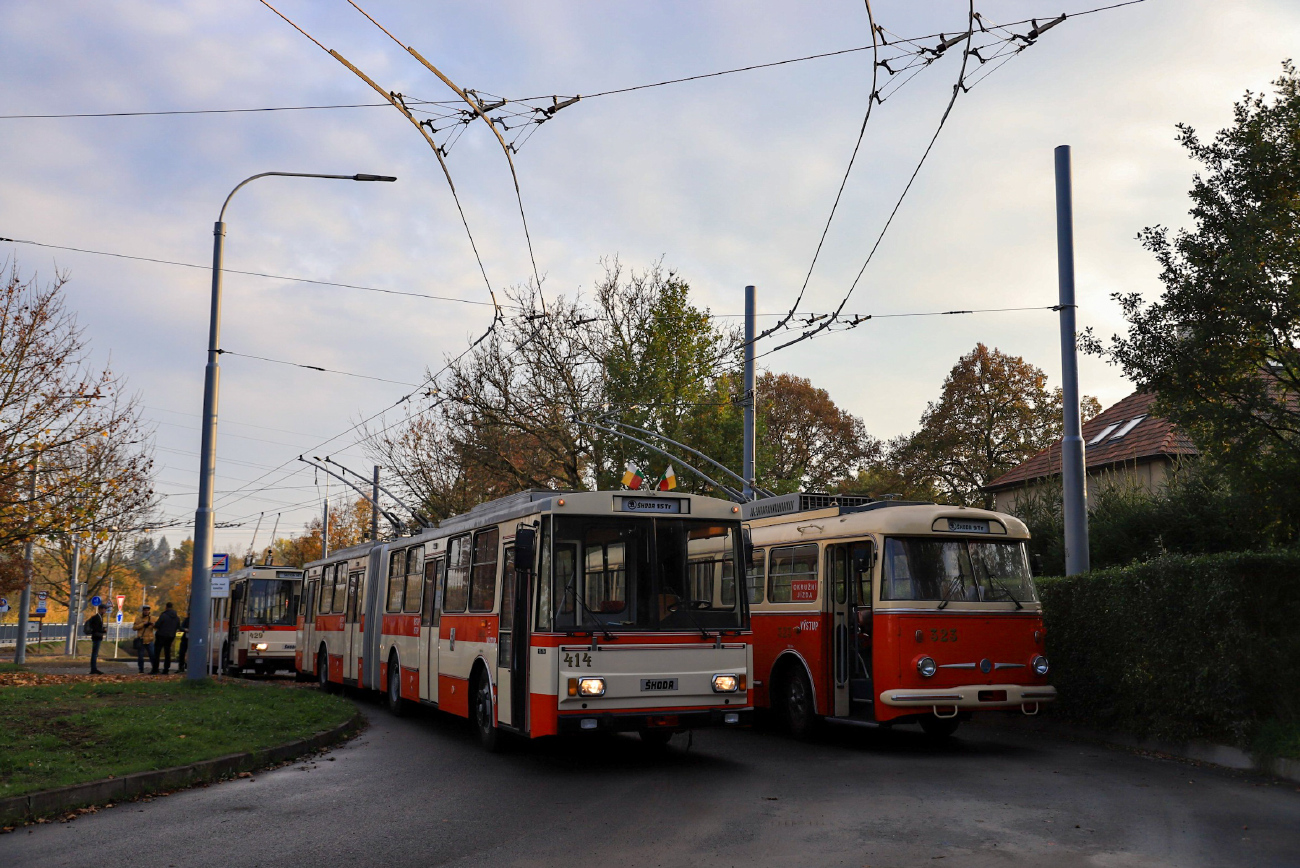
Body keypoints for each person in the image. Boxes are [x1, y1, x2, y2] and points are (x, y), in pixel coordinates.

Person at [155, 602, 181, 674]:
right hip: (171, 636)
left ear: (166, 607)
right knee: (167, 653)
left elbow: (157, 625)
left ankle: (155, 669)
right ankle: (166, 669)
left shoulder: (163, 615)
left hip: (161, 636)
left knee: (157, 652)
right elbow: (178, 627)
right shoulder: (177, 617)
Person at [84, 603, 108, 675]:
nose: (105, 610)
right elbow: (96, 628)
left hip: (97, 636)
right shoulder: (97, 617)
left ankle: (94, 668)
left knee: (95, 653)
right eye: (104, 609)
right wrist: (103, 630)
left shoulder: (100, 617)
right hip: (96, 636)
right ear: (101, 609)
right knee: (94, 654)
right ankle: (93, 669)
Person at [132, 605, 156, 674]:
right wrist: (143, 624)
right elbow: (134, 628)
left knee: (152, 655)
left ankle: (154, 668)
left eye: (147, 610)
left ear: (149, 611)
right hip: (141, 640)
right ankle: (141, 669)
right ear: (143, 611)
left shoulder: (152, 618)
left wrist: (153, 624)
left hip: (149, 640)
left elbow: (157, 627)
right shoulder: (138, 618)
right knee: (140, 656)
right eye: (145, 610)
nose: (146, 612)